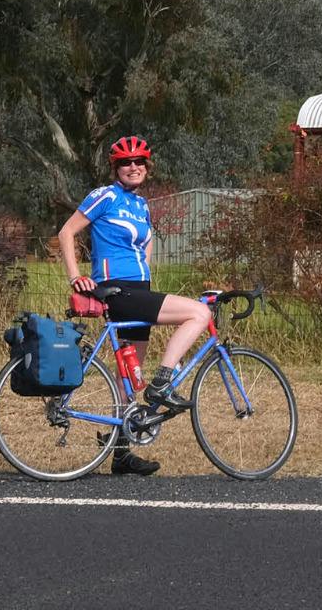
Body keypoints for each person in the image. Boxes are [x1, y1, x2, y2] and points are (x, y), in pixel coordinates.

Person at [57, 135, 210, 477]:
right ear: (116, 168)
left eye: (139, 162)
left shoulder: (141, 205)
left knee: (129, 380)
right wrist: (76, 277)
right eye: (126, 163)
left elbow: (146, 245)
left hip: (138, 289)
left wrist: (147, 280)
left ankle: (120, 453)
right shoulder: (105, 196)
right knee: (200, 313)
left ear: (146, 167)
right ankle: (164, 383)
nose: (134, 167)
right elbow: (67, 232)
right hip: (119, 292)